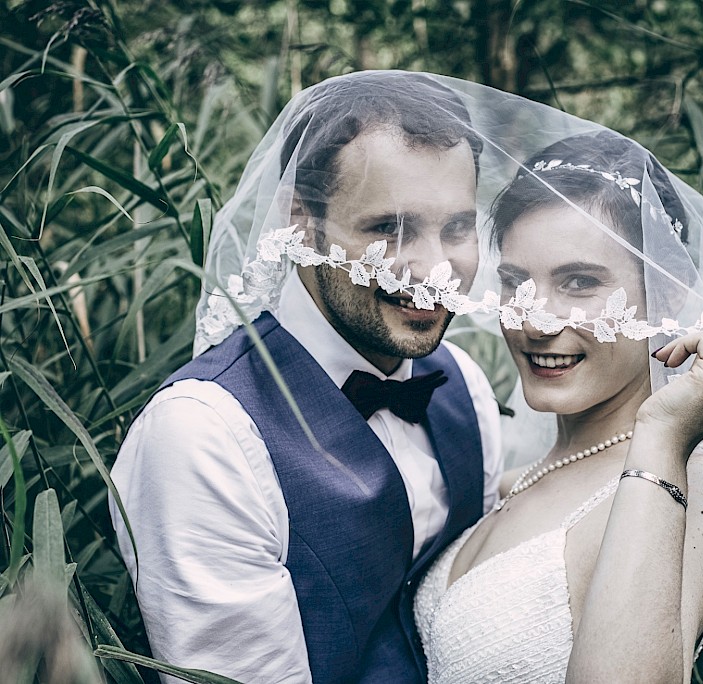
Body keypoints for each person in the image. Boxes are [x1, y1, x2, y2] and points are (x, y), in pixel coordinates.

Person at [108, 72, 504, 683]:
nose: (434, 269)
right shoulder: (201, 436)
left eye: (456, 228)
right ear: (302, 223)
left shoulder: (466, 386)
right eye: (387, 230)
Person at [412, 129, 703, 682]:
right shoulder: (507, 484)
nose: (533, 318)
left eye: (578, 282)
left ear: (665, 297)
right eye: (515, 282)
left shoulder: (700, 487)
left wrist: (665, 435)